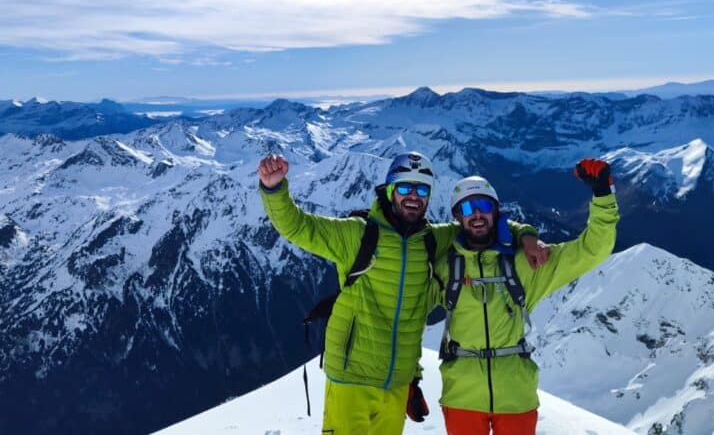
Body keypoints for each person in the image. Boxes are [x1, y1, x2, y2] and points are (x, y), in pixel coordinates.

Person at [257, 151, 547, 435]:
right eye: (405, 187)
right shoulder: (357, 234)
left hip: (397, 383)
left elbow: (486, 225)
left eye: (422, 189)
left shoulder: (434, 239)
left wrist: (527, 235)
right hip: (351, 376)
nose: (413, 196)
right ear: (389, 190)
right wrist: (274, 189)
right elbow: (298, 226)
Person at [434, 159, 620, 435]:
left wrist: (603, 195)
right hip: (461, 396)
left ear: (496, 212)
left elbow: (592, 249)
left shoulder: (526, 263)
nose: (476, 215)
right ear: (457, 217)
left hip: (516, 397)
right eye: (467, 208)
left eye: (483, 206)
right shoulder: (444, 266)